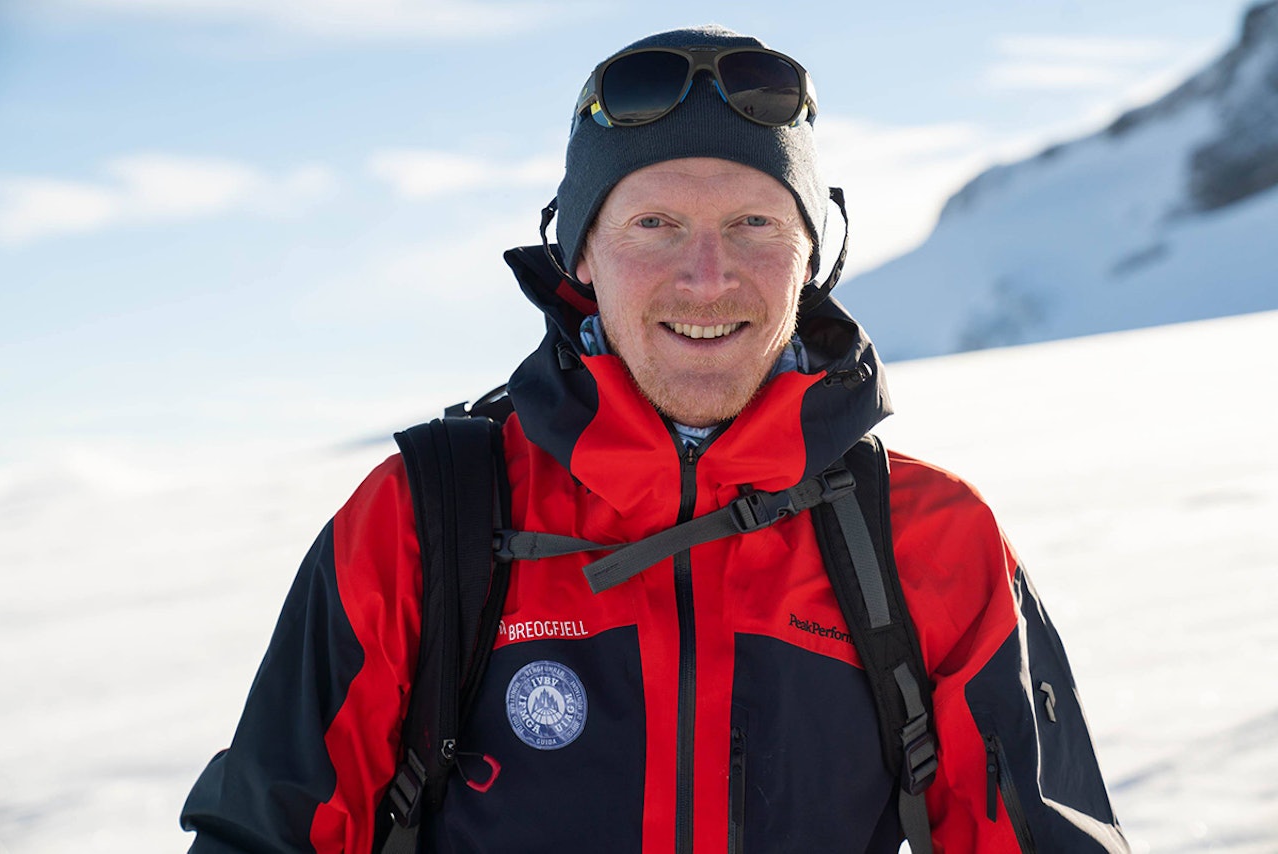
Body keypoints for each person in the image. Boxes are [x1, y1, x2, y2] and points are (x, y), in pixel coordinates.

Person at [181, 25, 1128, 853]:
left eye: (754, 223)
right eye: (655, 224)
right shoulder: (421, 522)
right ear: (581, 255)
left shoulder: (928, 538)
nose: (707, 277)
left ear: (813, 255)